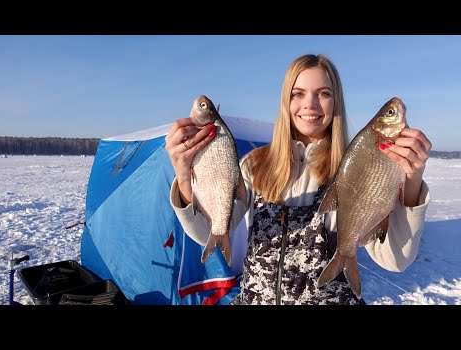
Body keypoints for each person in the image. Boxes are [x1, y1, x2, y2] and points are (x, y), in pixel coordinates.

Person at [165, 54, 432, 305]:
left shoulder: (355, 169)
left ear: (336, 101)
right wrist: (185, 177)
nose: (310, 105)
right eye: (298, 94)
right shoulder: (254, 165)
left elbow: (396, 260)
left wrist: (413, 183)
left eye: (324, 94)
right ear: (285, 102)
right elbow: (207, 232)